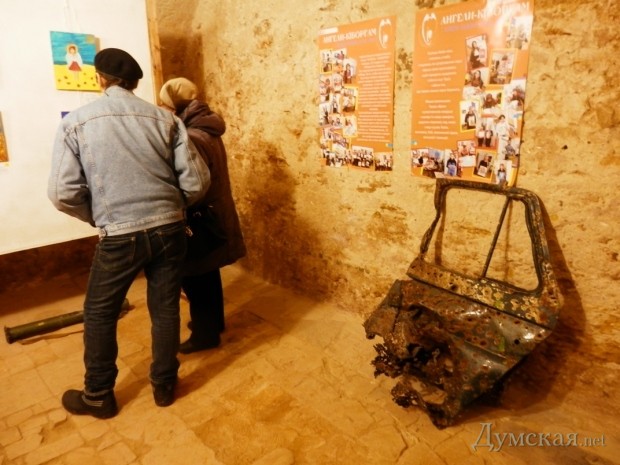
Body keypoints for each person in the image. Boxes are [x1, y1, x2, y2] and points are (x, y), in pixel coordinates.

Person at [48, 48, 211, 418]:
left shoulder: (77, 122)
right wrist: (173, 207)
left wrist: (98, 216)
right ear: (136, 82)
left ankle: (98, 395)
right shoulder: (165, 119)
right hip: (170, 229)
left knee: (99, 312)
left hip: (120, 234)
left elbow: (62, 193)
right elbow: (197, 181)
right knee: (165, 308)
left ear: (100, 79)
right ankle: (164, 385)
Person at [159, 77, 246, 354]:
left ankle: (205, 334)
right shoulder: (205, 128)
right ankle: (212, 323)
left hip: (200, 214)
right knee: (207, 271)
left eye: (164, 104)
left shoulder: (192, 136)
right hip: (213, 210)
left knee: (196, 274)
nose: (162, 109)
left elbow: (194, 182)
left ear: (175, 105)